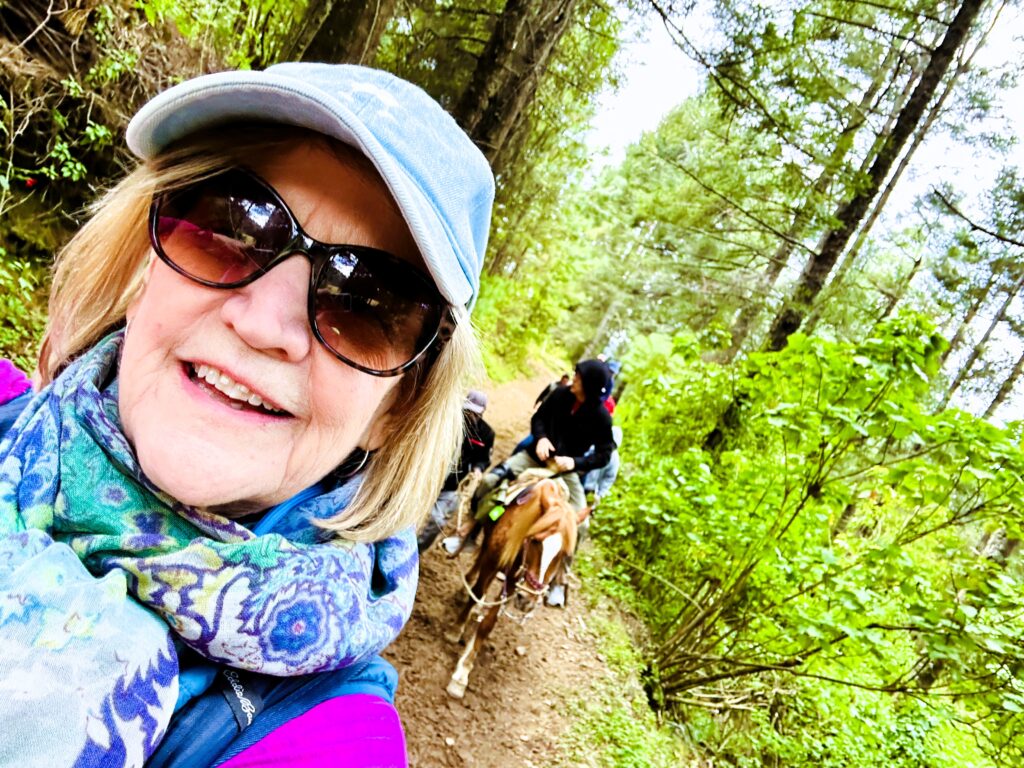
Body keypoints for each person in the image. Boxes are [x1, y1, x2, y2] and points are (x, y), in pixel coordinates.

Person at [0, 61, 494, 768]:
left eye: (367, 302)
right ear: (146, 266)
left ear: (398, 408)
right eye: (230, 224)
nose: (267, 324)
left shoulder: (333, 741)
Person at [444, 360, 614, 556]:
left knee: (581, 525)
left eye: (579, 376)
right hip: (533, 458)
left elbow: (605, 454)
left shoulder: (602, 418)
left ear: (589, 385)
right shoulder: (560, 394)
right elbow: (539, 418)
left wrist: (575, 462)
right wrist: (541, 438)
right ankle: (470, 530)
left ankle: (558, 576)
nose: (574, 378)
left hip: (564, 472)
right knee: (490, 481)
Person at [416, 389, 495, 552]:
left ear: (481, 413)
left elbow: (483, 458)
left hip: (454, 485)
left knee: (437, 520)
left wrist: (478, 469)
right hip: (429, 478)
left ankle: (417, 550)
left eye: (474, 413)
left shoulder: (486, 434)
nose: (469, 415)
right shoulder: (446, 421)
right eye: (467, 410)